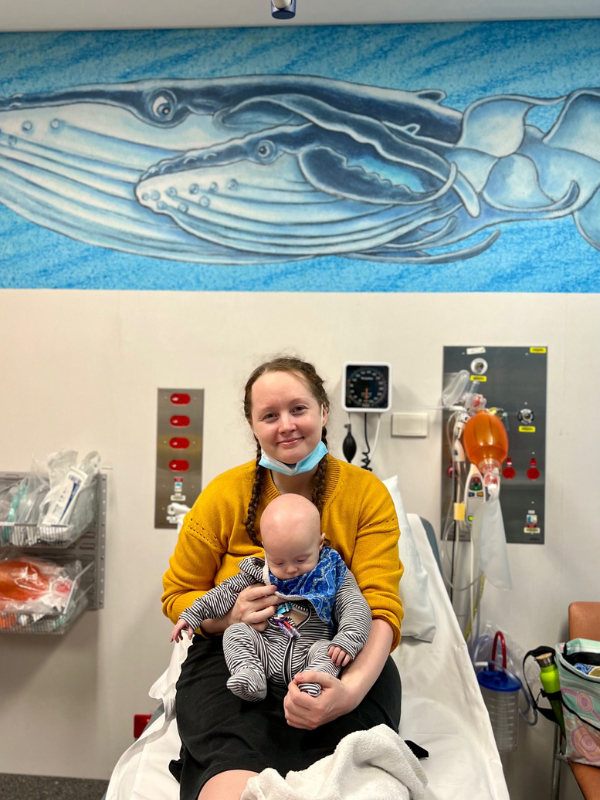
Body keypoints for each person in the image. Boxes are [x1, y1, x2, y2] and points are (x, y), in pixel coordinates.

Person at [162, 356, 404, 800]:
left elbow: (381, 609)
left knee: (349, 761)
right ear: (253, 426)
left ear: (324, 411)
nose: (286, 426)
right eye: (269, 416)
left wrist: (346, 695)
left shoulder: (366, 496)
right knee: (231, 759)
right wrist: (228, 618)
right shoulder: (223, 496)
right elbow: (179, 594)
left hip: (336, 656)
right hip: (237, 657)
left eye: (298, 409)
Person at [170, 493, 372, 702]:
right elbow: (224, 592)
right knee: (235, 633)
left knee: (328, 653)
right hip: (265, 652)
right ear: (265, 550)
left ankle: (311, 685)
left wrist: (347, 640)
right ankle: (251, 675)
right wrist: (193, 614)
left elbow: (355, 606)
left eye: (301, 559)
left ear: (320, 543)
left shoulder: (333, 574)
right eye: (279, 562)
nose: (292, 569)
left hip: (310, 655)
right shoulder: (258, 572)